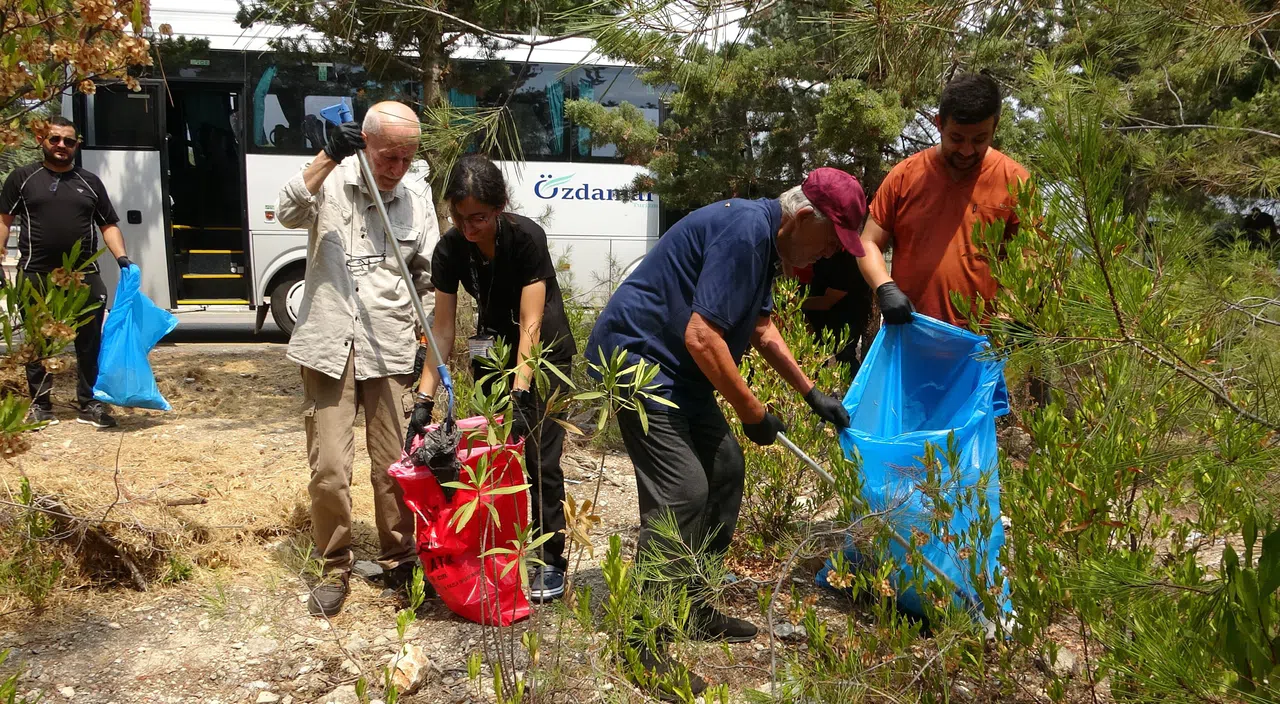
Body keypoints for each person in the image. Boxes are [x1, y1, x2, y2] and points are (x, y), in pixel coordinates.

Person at [585, 167, 863, 696]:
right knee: (683, 492)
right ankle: (641, 643)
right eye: (830, 242)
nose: (829, 256)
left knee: (726, 469)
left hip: (678, 370)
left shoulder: (764, 240)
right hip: (639, 361)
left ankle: (690, 605)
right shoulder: (745, 234)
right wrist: (753, 412)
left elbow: (759, 326)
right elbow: (702, 335)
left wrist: (811, 393)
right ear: (803, 218)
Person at [276, 101, 439, 617]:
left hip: (388, 345)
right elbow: (286, 210)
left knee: (394, 466)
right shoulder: (333, 176)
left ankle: (400, 559)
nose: (397, 168)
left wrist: (425, 340)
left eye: (407, 157)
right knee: (328, 468)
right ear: (365, 143)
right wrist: (327, 155)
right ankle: (334, 565)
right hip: (328, 344)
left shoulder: (417, 193)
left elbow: (429, 275)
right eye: (388, 156)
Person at [407, 154, 576, 603]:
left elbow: (531, 323)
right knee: (489, 460)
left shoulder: (525, 238)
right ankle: (490, 553)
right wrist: (423, 399)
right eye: (459, 217)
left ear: (500, 207)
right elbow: (442, 328)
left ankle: (548, 560)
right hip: (492, 355)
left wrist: (521, 390)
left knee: (539, 460)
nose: (468, 228)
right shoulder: (450, 249)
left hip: (542, 358)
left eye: (478, 217)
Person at [857, 73, 1030, 328]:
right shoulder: (905, 176)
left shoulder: (1016, 181)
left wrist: (1010, 311)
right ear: (939, 123)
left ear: (996, 125)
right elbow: (868, 242)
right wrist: (885, 287)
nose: (967, 150)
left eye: (979, 139)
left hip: (981, 342)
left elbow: (1031, 257)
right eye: (957, 138)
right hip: (911, 331)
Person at [0, 115, 133, 429]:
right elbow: (4, 219)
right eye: (55, 139)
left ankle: (90, 404)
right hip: (36, 274)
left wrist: (123, 258)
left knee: (89, 342)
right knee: (38, 342)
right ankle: (40, 405)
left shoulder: (89, 182)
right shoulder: (22, 178)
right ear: (42, 140)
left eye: (69, 141)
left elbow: (108, 225)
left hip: (84, 275)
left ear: (77, 146)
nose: (61, 145)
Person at [798, 250, 875, 374]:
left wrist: (793, 303)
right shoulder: (822, 254)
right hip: (820, 315)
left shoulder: (846, 261)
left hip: (846, 316)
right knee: (814, 359)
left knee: (844, 356)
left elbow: (827, 302)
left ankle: (855, 390)